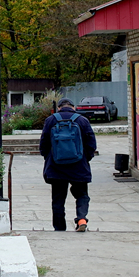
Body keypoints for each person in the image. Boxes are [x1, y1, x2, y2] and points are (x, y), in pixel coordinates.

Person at [39, 97, 98, 232]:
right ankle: (81, 219)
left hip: (56, 166)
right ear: (73, 107)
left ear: (59, 108)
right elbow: (91, 144)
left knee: (58, 199)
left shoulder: (51, 120)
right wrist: (85, 159)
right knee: (82, 195)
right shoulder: (82, 120)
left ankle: (59, 228)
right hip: (79, 165)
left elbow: (44, 144)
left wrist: (48, 158)